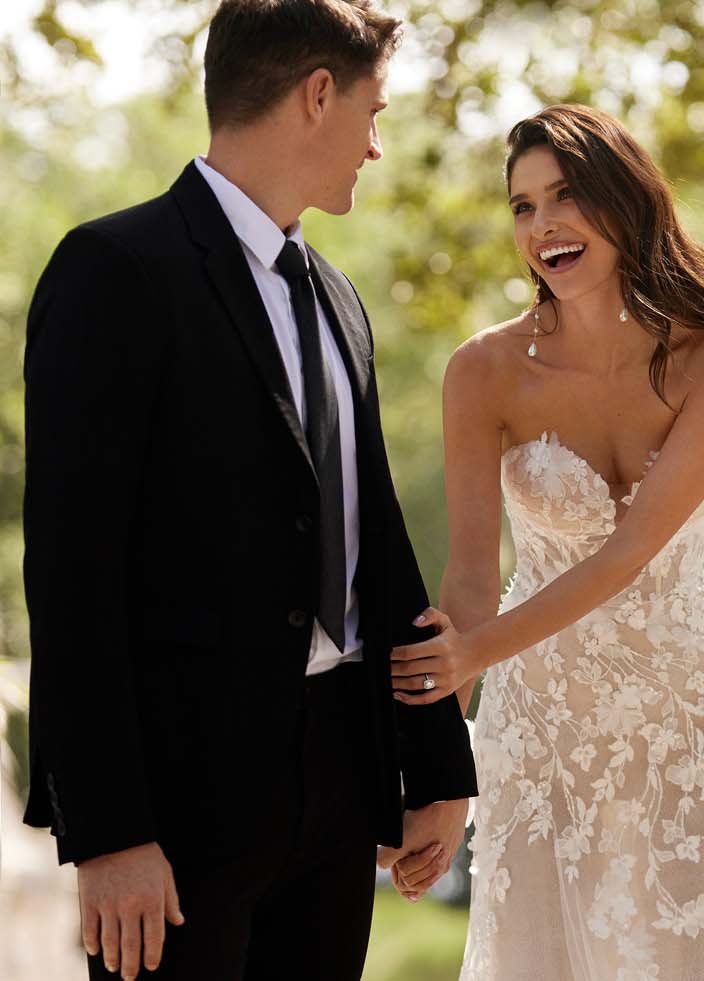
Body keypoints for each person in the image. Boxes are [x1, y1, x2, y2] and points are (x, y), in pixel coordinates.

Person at [21, 2, 475, 978]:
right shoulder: (115, 271)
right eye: (373, 112)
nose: (377, 146)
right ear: (319, 96)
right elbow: (71, 577)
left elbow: (376, 546)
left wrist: (436, 766)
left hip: (340, 787)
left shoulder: (338, 297)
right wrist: (107, 834)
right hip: (178, 814)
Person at [385, 103, 704, 979]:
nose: (543, 225)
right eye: (522, 206)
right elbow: (470, 574)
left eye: (567, 195)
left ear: (626, 201)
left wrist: (472, 655)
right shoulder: (483, 370)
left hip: (688, 722)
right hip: (539, 729)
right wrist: (440, 772)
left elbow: (631, 556)